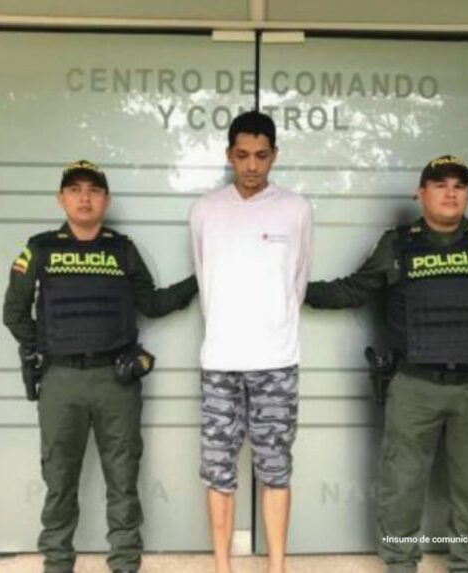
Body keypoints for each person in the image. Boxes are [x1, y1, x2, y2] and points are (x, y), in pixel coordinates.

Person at [305, 155, 468, 573]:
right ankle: (401, 564)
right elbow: (354, 290)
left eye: (459, 185)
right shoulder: (397, 243)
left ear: (467, 194)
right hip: (413, 384)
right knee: (401, 484)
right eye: (439, 184)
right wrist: (292, 285)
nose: (450, 192)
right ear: (421, 193)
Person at [3, 159, 197, 573]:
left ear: (106, 199)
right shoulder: (39, 248)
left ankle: (125, 564)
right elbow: (14, 313)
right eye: (75, 189)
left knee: (123, 479)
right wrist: (49, 346)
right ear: (61, 199)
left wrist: (199, 281)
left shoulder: (122, 249)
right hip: (61, 380)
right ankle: (57, 563)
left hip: (116, 381)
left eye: (93, 189)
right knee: (59, 480)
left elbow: (152, 303)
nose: (84, 197)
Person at [189, 110, 313, 573]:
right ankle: (223, 566)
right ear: (229, 155)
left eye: (262, 156)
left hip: (277, 361)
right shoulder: (205, 209)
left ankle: (276, 566)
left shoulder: (296, 208)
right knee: (219, 471)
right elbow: (206, 277)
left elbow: (296, 282)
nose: (252, 166)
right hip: (220, 360)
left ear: (274, 155)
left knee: (275, 467)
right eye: (242, 155)